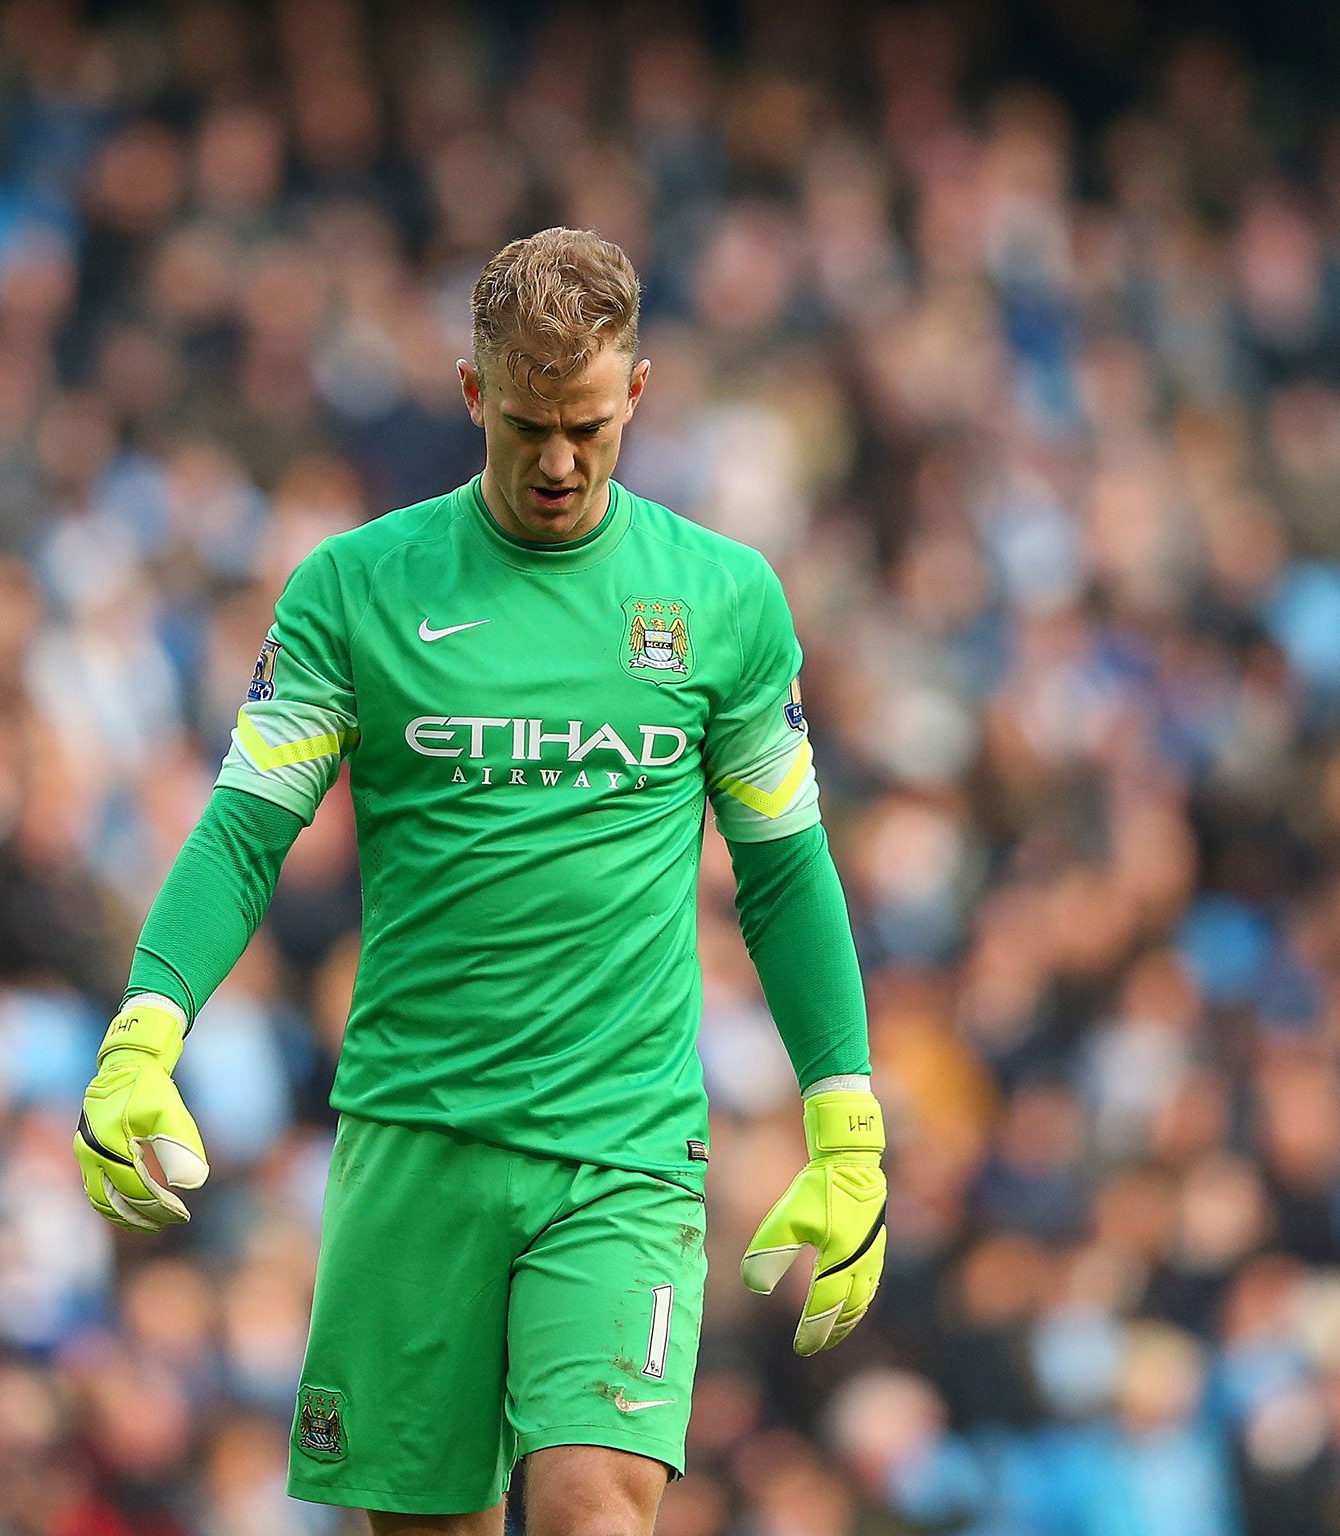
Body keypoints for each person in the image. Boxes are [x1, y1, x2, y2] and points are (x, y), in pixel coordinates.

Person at [73, 228, 888, 1536]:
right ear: (471, 394)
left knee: (592, 1511)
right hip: (417, 1135)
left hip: (621, 1146)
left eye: (586, 425)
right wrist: (146, 1028)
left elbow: (786, 876)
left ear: (638, 392)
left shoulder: (724, 602)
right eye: (526, 426)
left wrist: (844, 1118)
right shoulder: (354, 591)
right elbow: (244, 833)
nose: (560, 461)